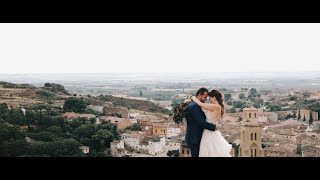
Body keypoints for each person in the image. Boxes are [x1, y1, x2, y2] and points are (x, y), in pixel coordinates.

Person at [190, 89, 232, 157]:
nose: (209, 100)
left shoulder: (216, 106)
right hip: (211, 132)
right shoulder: (217, 106)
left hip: (209, 133)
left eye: (210, 98)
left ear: (214, 98)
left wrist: (193, 98)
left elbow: (201, 104)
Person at [184, 88, 217, 157]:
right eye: (205, 97)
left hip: (196, 137)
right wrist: (214, 127)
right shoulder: (194, 106)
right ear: (199, 95)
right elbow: (201, 122)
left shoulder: (196, 104)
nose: (205, 99)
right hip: (194, 138)